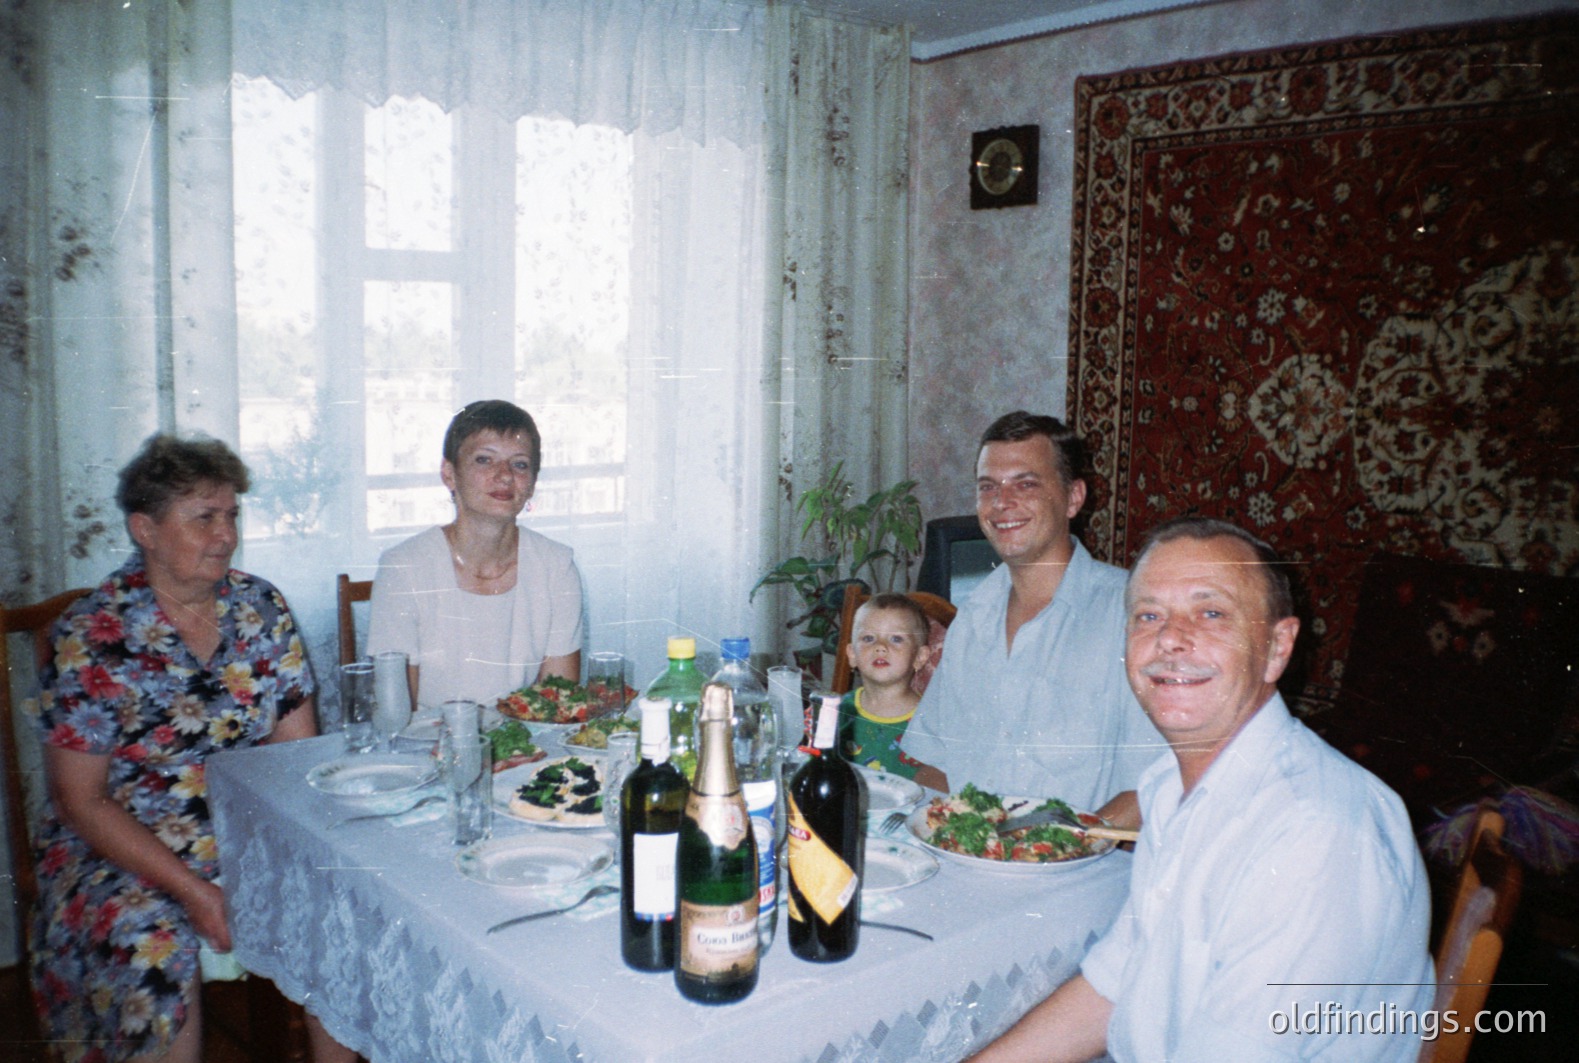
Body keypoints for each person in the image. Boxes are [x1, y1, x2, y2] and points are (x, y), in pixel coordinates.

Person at [970, 517, 1435, 1063]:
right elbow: (1115, 982)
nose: (1169, 638)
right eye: (1148, 615)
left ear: (1277, 647)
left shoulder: (1314, 833)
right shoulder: (1170, 787)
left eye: (1210, 613)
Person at [30, 434, 353, 1063]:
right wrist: (195, 892)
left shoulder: (260, 607)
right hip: (121, 845)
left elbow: (298, 759)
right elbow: (80, 802)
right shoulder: (93, 633)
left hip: (243, 827)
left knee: (343, 901)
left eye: (231, 515)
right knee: (152, 940)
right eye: (203, 517)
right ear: (144, 529)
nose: (225, 534)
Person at [899, 411, 1161, 822]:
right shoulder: (973, 617)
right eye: (989, 487)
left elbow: (1155, 785)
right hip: (969, 859)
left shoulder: (1133, 616)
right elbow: (936, 765)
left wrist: (1053, 848)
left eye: (1026, 483)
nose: (1002, 503)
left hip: (1079, 870)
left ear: (1074, 498)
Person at [367, 399, 584, 706]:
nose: (505, 475)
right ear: (449, 473)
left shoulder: (557, 567)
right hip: (427, 748)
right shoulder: (403, 567)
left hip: (528, 751)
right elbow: (397, 713)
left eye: (520, 464)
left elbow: (558, 706)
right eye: (484, 460)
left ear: (533, 483)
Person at [837, 592, 934, 778]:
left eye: (896, 639)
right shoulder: (837, 712)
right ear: (852, 654)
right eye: (868, 638)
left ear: (920, 657)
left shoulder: (932, 721)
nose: (880, 647)